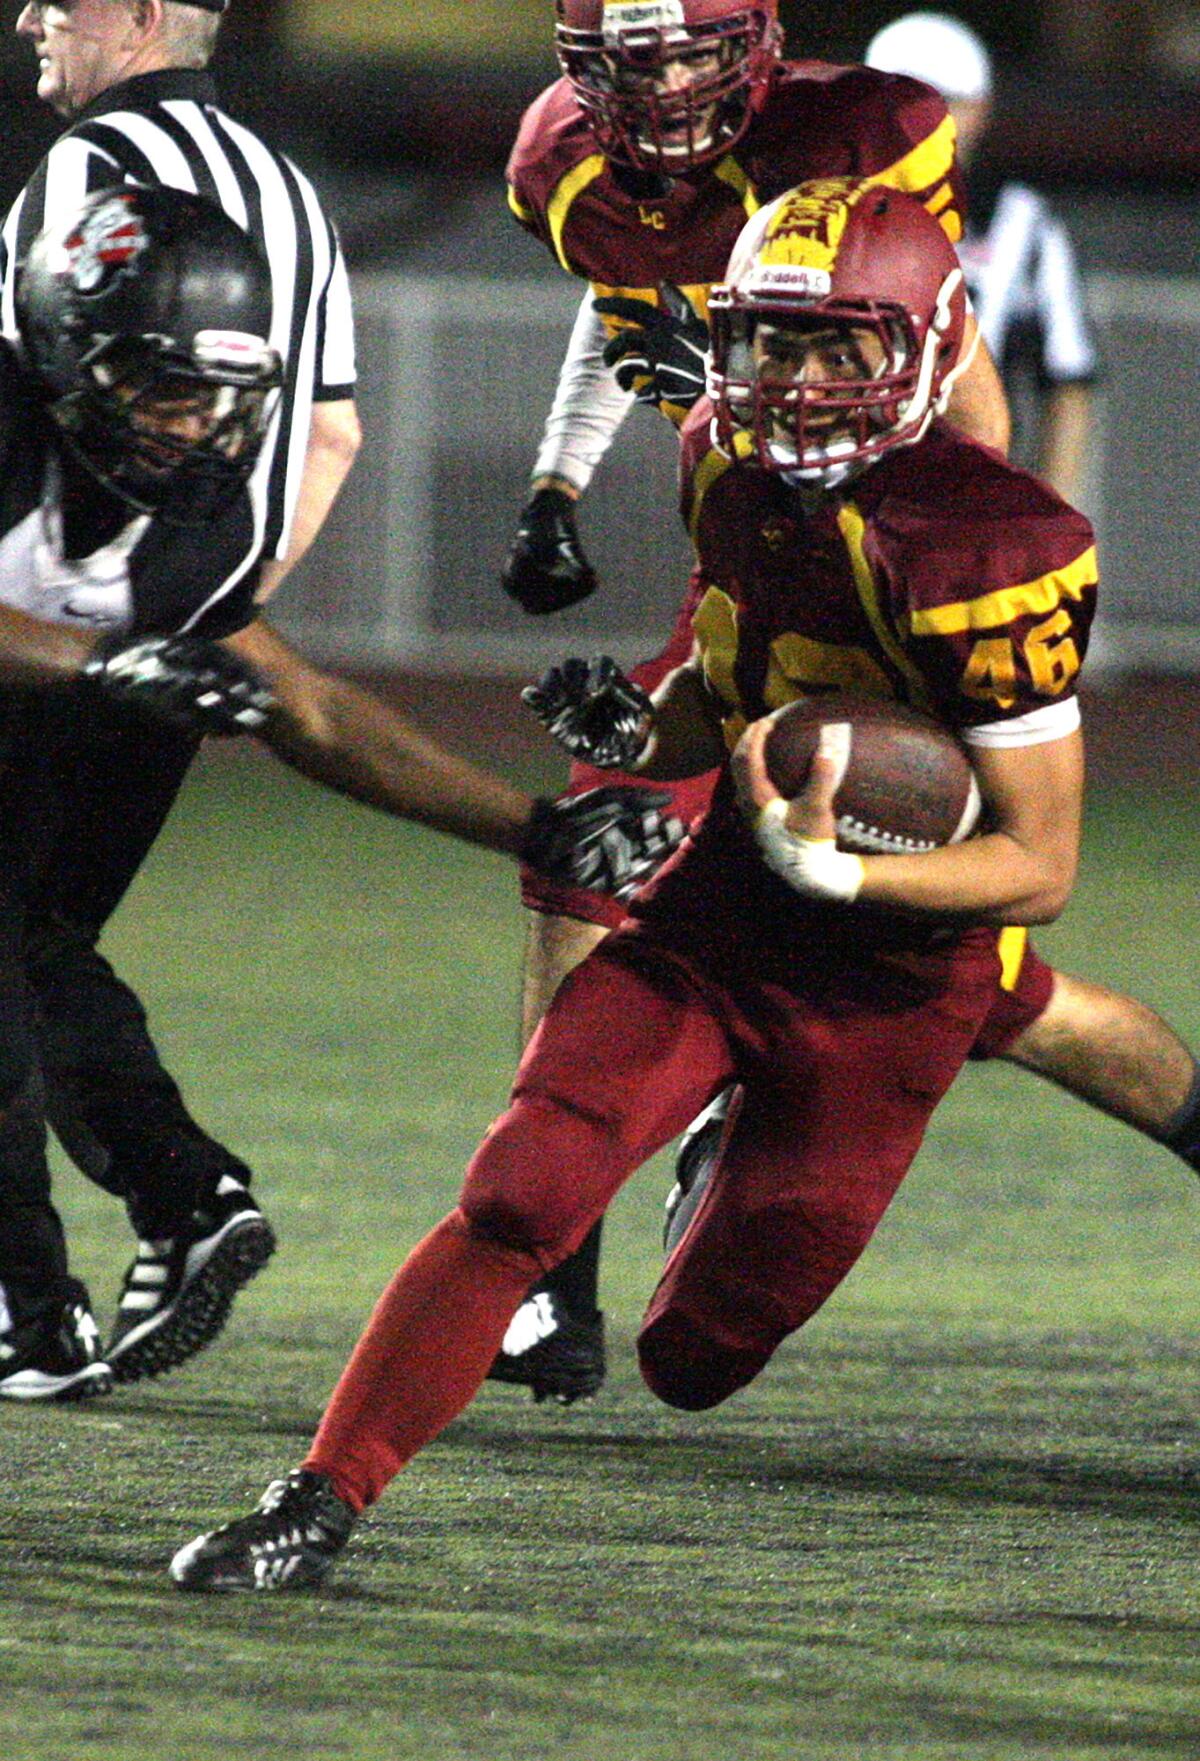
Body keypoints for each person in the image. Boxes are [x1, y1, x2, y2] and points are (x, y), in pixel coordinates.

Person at [169, 177, 1100, 1592]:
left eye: (837, 347)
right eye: (769, 343)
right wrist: (646, 727)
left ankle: (727, 1150)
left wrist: (841, 867)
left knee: (693, 1361)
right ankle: (317, 1495)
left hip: (894, 993)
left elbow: (1039, 865)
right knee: (521, 1189)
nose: (792, 384)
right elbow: (732, 684)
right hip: (724, 918)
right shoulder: (721, 450)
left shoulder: (998, 546)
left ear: (922, 350)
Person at [489, 0, 1197, 1404]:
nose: (672, 89)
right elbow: (623, 303)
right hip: (758, 532)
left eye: (694, 54)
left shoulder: (862, 152)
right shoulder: (570, 173)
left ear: (754, 46)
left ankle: (560, 1252)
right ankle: (548, 1265)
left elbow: (968, 397)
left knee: (963, 967)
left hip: (883, 561)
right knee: (609, 845)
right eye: (639, 65)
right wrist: (558, 480)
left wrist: (926, 604)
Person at [0, 184, 681, 1400]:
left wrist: (535, 830)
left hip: (49, 717)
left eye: (214, 394)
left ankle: (85, 1273)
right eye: (159, 385)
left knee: (30, 948)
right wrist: (106, 660)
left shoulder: (193, 514)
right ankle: (82, 1264)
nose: (191, 425)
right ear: (60, 354)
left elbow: (309, 712)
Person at [0, 0, 361, 1386]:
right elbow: (330, 430)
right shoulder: (291, 192)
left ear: (144, 14)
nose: (33, 16)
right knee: (37, 941)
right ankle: (183, 1196)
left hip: (49, 616)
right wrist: (212, 591)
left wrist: (99, 597)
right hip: (194, 626)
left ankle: (32, 1308)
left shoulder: (92, 178)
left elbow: (36, 401)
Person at [865, 11, 1099, 502]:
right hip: (846, 481)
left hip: (973, 490)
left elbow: (1068, 381)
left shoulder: (1023, 223)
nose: (924, 122)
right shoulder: (820, 208)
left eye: (946, 100)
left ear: (982, 108)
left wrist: (1053, 507)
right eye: (905, 101)